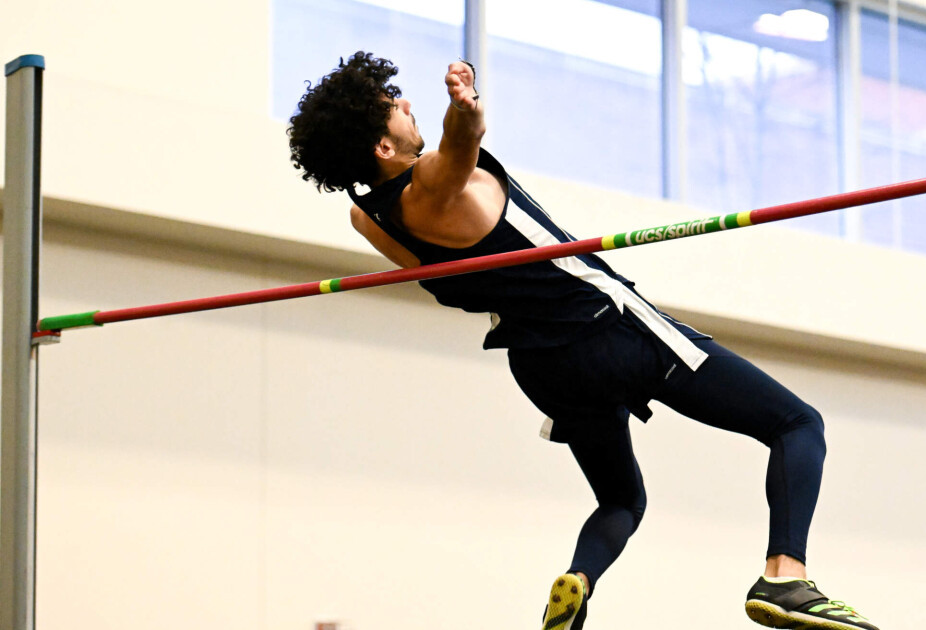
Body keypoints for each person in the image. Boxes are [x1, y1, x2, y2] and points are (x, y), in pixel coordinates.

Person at [287, 51, 878, 630]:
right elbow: (461, 144)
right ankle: (785, 574)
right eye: (392, 104)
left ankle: (578, 582)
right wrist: (463, 108)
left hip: (542, 365)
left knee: (622, 501)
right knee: (797, 425)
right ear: (382, 148)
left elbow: (445, 266)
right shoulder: (434, 186)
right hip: (606, 325)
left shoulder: (367, 216)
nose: (404, 101)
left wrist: (456, 126)